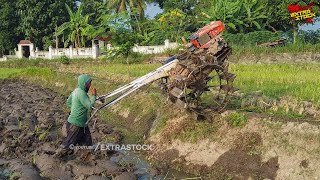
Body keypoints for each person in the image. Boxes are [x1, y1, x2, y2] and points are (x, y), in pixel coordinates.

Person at [55, 74, 97, 157]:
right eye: (88, 83)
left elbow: (68, 102)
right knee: (68, 145)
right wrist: (94, 96)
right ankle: (55, 158)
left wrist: (75, 110)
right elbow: (90, 106)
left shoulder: (76, 91)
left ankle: (87, 156)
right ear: (84, 84)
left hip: (82, 123)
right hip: (76, 124)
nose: (90, 85)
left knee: (87, 142)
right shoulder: (81, 93)